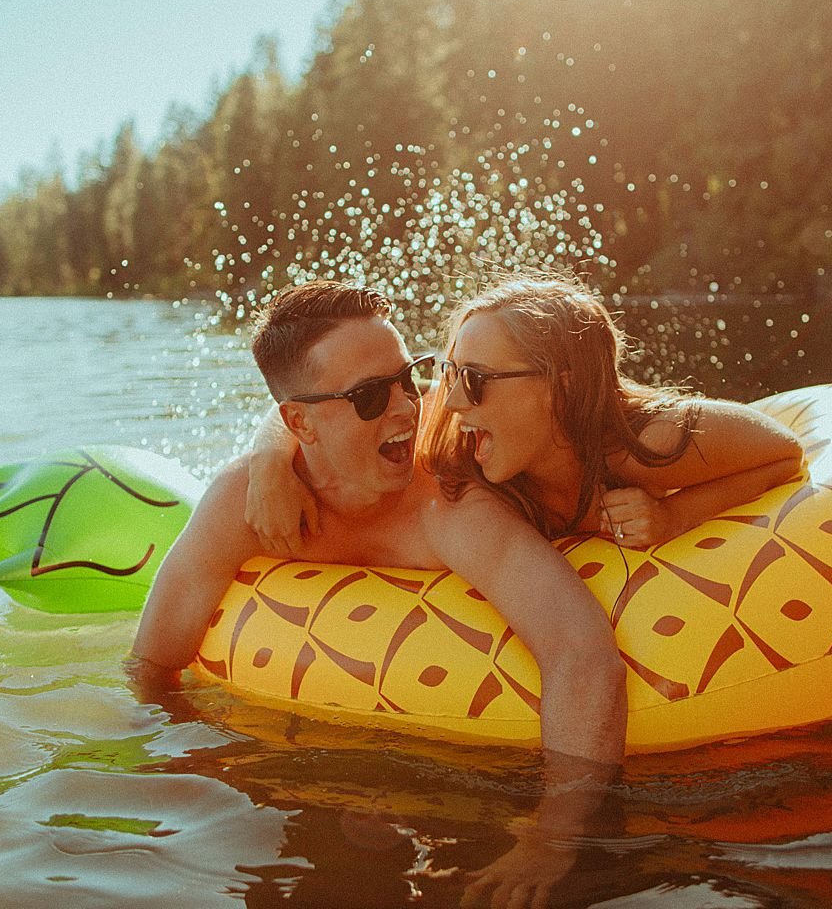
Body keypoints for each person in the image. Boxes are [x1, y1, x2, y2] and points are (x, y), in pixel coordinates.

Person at [129, 279, 625, 907]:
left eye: (408, 379)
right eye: (369, 397)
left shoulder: (450, 503)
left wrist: (556, 836)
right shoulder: (243, 507)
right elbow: (151, 663)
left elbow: (580, 652)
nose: (406, 410)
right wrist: (188, 781)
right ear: (298, 423)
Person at [248, 272, 804, 556]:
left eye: (477, 380)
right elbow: (328, 406)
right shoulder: (459, 426)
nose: (452, 399)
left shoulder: (643, 445)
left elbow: (783, 452)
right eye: (450, 372)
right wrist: (270, 461)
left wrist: (678, 518)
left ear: (558, 388)